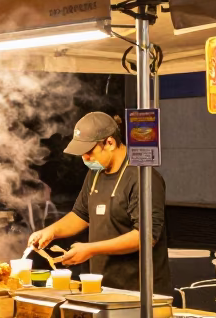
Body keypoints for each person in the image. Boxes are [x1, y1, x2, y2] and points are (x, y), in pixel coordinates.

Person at [29, 111, 170, 294]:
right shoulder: (95, 174)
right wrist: (51, 231)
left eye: (89, 152)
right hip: (101, 288)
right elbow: (81, 215)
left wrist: (91, 249)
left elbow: (145, 236)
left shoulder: (142, 178)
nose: (85, 159)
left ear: (109, 143)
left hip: (138, 292)